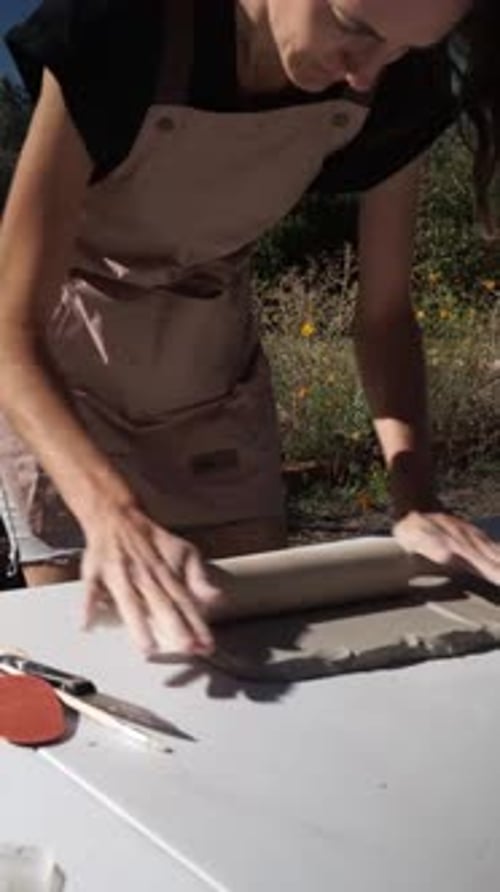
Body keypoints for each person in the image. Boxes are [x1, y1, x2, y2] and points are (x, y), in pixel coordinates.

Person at [0, 0, 498, 657]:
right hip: (64, 381)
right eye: (355, 29)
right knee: (97, 658)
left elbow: (383, 316)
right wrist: (109, 512)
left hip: (212, 370)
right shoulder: (119, 32)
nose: (366, 74)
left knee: (260, 645)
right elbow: (11, 327)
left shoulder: (398, 87)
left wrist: (416, 501)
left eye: (404, 49)